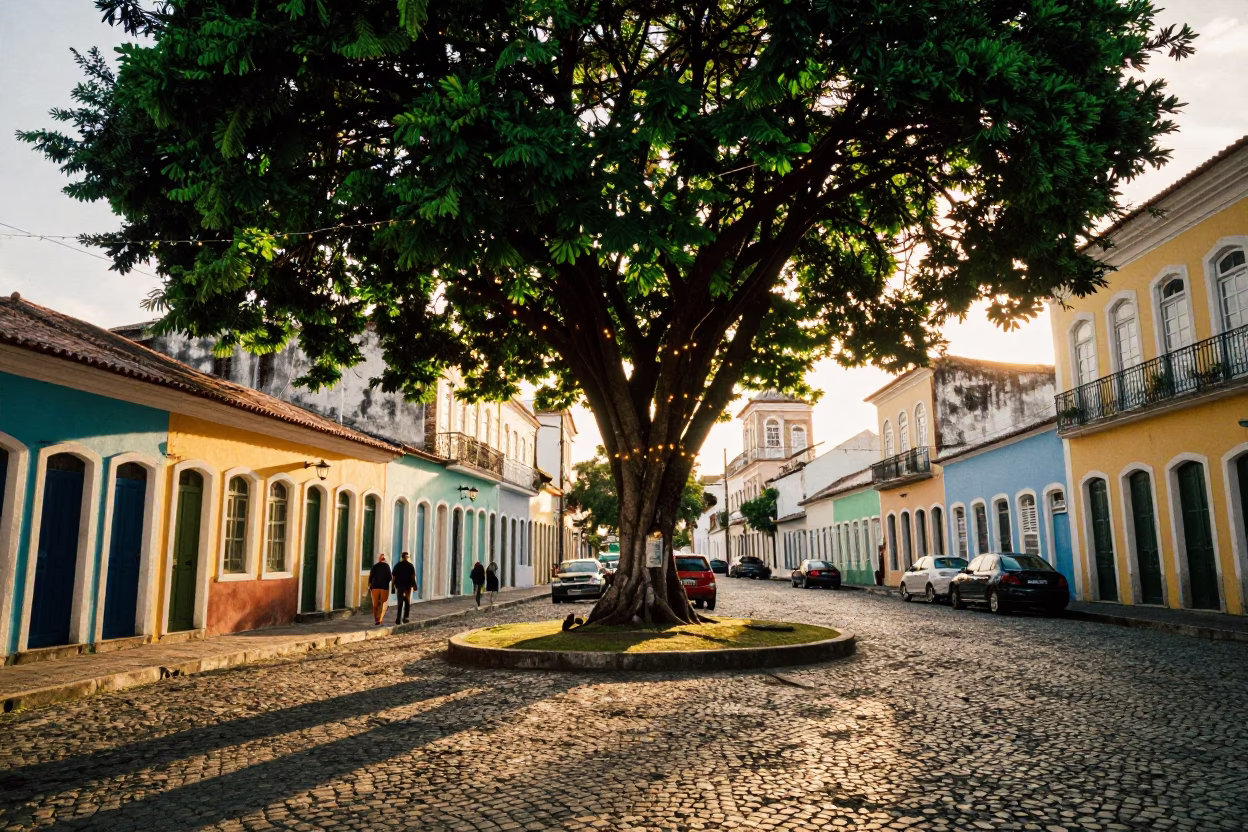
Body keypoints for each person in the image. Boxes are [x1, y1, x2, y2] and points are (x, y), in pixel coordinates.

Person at [391, 551, 418, 624]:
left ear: (402, 557)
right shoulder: (410, 566)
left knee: (400, 603)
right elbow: (413, 576)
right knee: (407, 602)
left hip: (400, 587)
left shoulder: (398, 565)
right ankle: (406, 617)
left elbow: (394, 577)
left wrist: (392, 586)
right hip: (407, 587)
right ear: (406, 557)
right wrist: (414, 585)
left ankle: (398, 618)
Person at [368, 554, 392, 625]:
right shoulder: (387, 566)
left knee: (375, 604)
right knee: (383, 604)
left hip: (375, 587)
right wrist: (386, 581)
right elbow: (390, 577)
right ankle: (381, 619)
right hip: (384, 587)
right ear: (384, 560)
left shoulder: (375, 566)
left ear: (379, 559)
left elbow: (371, 577)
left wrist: (369, 585)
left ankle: (377, 619)